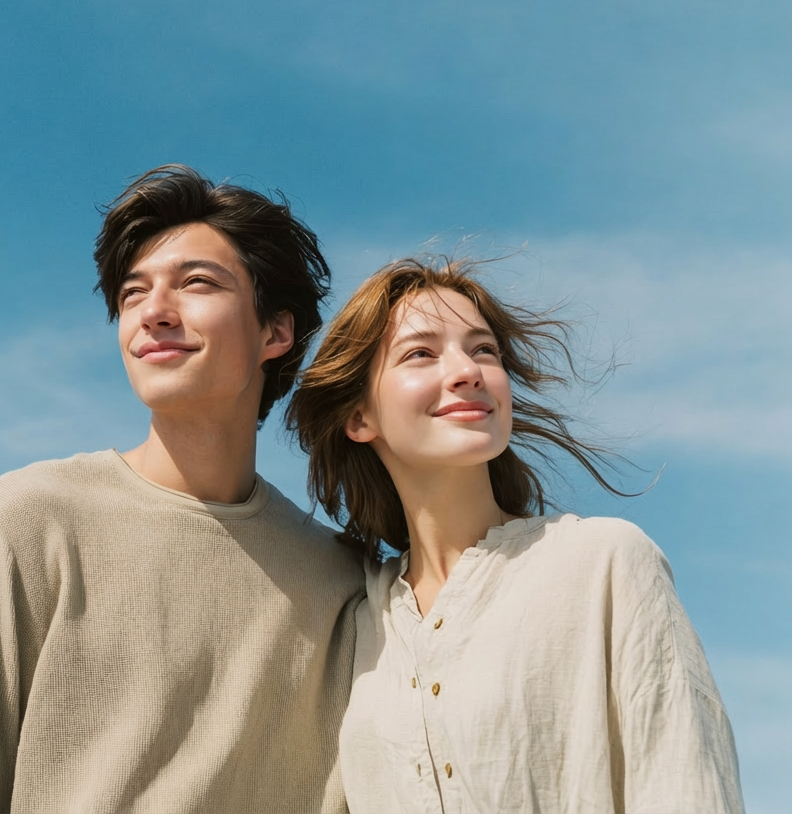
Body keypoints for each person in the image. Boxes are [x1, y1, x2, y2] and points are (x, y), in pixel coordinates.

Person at [0, 165, 364, 814]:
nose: (154, 313)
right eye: (134, 294)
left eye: (197, 283)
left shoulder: (343, 586)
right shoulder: (27, 522)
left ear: (275, 332)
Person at [287, 257, 744, 814]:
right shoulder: (355, 623)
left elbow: (687, 787)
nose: (468, 371)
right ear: (359, 418)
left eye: (483, 350)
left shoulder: (604, 562)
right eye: (421, 354)